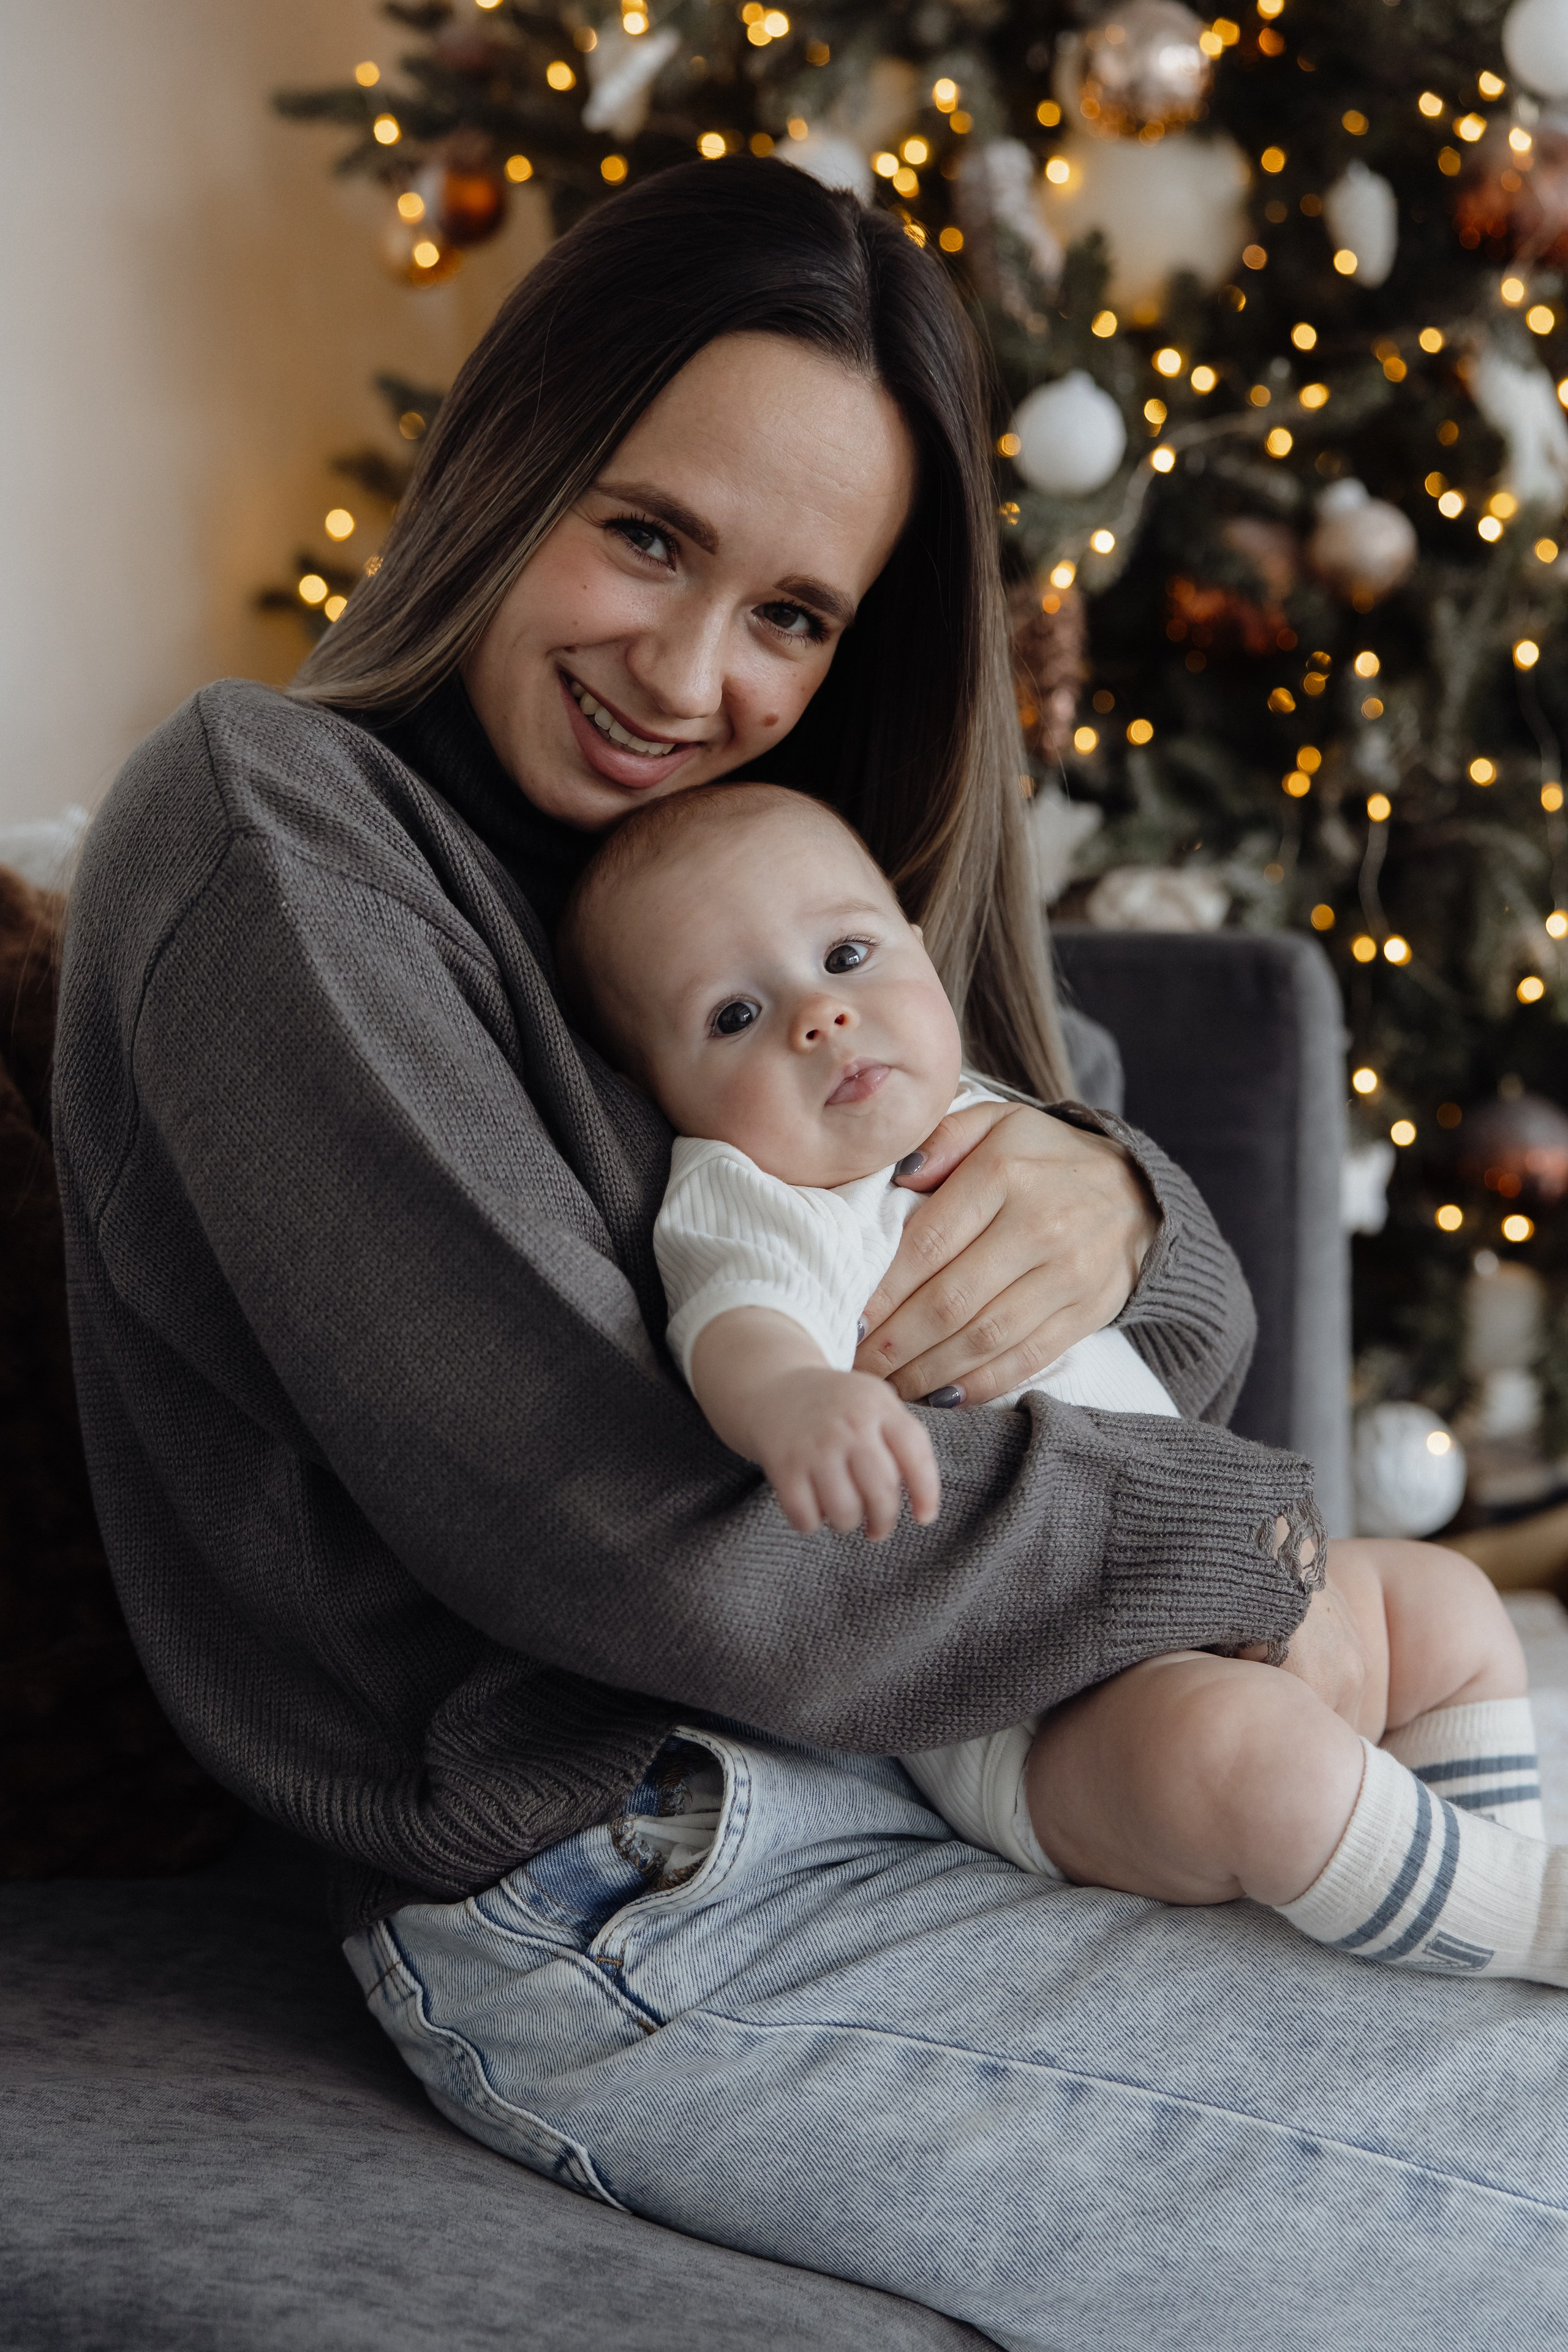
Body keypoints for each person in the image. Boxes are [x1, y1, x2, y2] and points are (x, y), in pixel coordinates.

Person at [52, 159, 1568, 2346]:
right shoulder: (273, 840)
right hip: (653, 1889)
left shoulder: (801, 885)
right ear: (511, 460)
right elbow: (656, 1544)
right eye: (646, 533)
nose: (686, 670)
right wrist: (1258, 1551)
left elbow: (1174, 1319)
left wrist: (1121, 1206)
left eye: (793, 613)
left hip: (1008, 1771)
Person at [558, 775, 1562, 1981]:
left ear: (923, 960)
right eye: (732, 1017)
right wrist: (798, 1403)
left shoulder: (1002, 1119)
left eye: (844, 953)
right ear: (661, 1095)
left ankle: (1493, 1870)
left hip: (1214, 1579)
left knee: (1442, 1601)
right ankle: (1516, 1921)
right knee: (1241, 1752)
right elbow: (738, 1322)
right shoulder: (759, 1193)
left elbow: (1185, 1346)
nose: (818, 1018)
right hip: (1048, 1711)